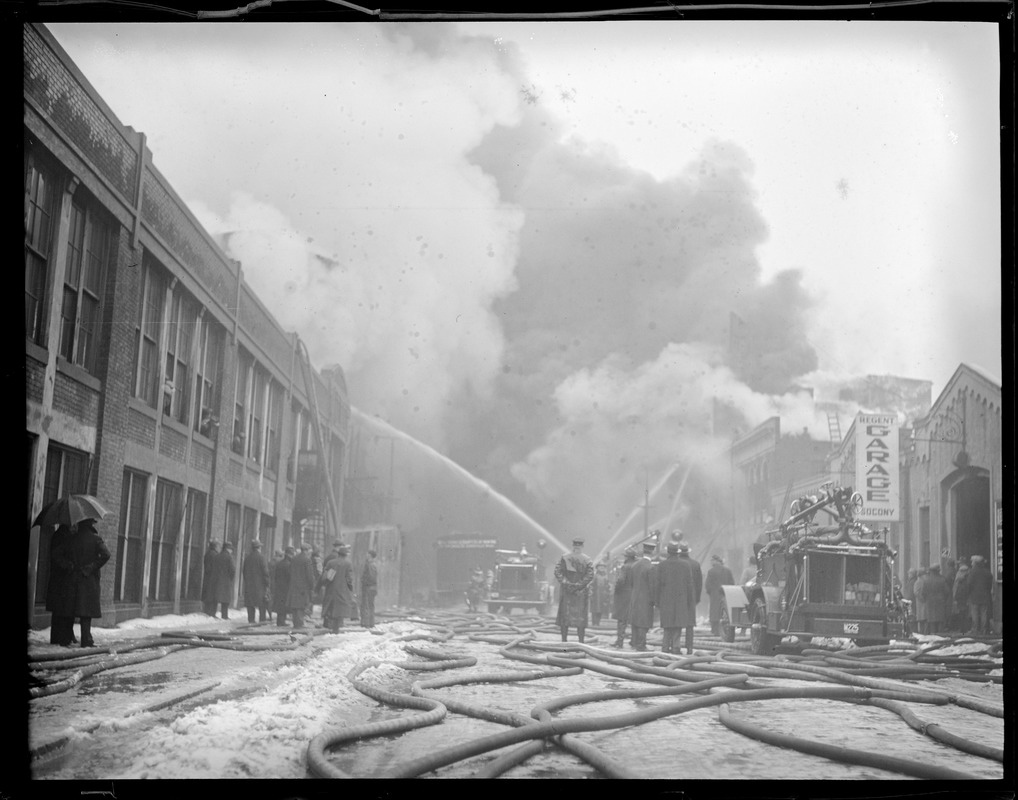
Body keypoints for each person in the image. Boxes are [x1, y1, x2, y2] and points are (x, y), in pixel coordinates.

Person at [58, 518, 111, 648]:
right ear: (91, 524)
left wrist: (69, 565)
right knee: (86, 612)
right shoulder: (95, 539)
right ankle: (86, 640)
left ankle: (65, 639)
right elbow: (106, 554)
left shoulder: (71, 538)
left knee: (70, 609)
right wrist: (91, 567)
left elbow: (59, 555)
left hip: (72, 578)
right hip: (88, 580)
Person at [655, 542, 696, 654]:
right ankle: (676, 647)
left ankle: (665, 647)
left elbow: (657, 585)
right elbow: (689, 585)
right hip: (681, 600)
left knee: (667, 625)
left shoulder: (662, 566)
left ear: (668, 552)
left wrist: (657, 601)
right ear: (677, 552)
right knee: (678, 625)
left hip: (666, 600)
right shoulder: (685, 565)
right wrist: (690, 601)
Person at [554, 537, 594, 642]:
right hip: (580, 593)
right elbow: (590, 575)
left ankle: (564, 641)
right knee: (580, 618)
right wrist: (578, 585)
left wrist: (567, 584)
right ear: (582, 546)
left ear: (573, 545)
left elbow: (557, 572)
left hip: (566, 592)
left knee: (565, 617)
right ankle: (581, 641)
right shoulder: (587, 559)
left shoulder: (564, 557)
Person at [46, 524, 78, 646]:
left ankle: (60, 638)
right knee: (63, 610)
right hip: (62, 581)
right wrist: (68, 565)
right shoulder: (62, 537)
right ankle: (62, 639)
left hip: (59, 581)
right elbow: (57, 556)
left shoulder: (60, 535)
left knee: (60, 611)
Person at [628, 541, 658, 651]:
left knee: (635, 620)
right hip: (646, 599)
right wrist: (654, 601)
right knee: (643, 622)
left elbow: (631, 583)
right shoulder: (651, 567)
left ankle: (634, 642)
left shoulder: (635, 565)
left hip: (635, 597)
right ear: (653, 553)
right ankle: (641, 645)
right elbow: (653, 586)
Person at [320, 543, 355, 633]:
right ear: (345, 555)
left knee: (330, 607)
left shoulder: (331, 563)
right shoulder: (348, 563)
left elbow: (325, 577)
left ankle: (330, 626)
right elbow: (349, 579)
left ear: (338, 553)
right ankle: (336, 628)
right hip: (342, 590)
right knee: (340, 609)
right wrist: (350, 589)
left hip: (331, 589)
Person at [287, 542, 316, 630]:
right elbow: (309, 575)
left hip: (293, 585)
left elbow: (290, 572)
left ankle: (296, 623)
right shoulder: (307, 560)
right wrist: (312, 586)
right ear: (306, 550)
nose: (310, 553)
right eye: (309, 551)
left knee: (295, 605)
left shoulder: (294, 559)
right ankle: (299, 624)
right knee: (301, 606)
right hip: (303, 586)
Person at [612, 547, 637, 648]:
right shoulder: (636, 566)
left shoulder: (625, 567)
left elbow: (621, 580)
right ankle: (634, 641)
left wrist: (616, 590)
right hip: (635, 594)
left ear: (627, 557)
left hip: (624, 595)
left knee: (622, 620)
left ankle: (620, 641)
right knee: (633, 619)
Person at [705, 554, 735, 636]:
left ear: (715, 561)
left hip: (714, 595)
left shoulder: (711, 571)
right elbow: (732, 583)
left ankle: (715, 631)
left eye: (712, 560)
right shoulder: (728, 571)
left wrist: (711, 593)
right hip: (726, 595)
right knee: (725, 613)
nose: (711, 562)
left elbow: (707, 585)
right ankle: (726, 631)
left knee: (714, 613)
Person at [242, 539, 271, 623]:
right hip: (260, 586)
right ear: (259, 548)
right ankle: (262, 620)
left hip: (249, 585)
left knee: (250, 604)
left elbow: (244, 571)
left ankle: (251, 620)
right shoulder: (262, 558)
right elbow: (265, 572)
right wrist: (267, 584)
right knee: (262, 604)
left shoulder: (247, 558)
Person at [678, 542, 703, 632]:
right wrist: (697, 598)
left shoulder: (676, 564)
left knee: (677, 622)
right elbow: (699, 583)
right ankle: (689, 645)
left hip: (678, 597)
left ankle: (675, 644)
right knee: (690, 623)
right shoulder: (695, 564)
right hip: (691, 596)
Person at [965, 555, 994, 635]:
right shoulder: (987, 572)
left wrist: (968, 593)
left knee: (975, 613)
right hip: (985, 596)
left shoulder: (972, 572)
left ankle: (975, 629)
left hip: (974, 596)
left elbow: (969, 584)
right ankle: (984, 630)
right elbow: (989, 585)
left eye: (972, 562)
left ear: (975, 563)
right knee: (984, 613)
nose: (971, 563)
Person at [272, 546, 295, 626]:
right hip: (286, 587)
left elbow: (275, 576)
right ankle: (281, 622)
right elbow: (290, 577)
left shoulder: (279, 563)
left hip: (279, 587)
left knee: (280, 605)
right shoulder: (289, 564)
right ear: (290, 554)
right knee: (284, 605)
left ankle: (280, 621)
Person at [214, 541, 237, 620]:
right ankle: (224, 615)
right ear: (228, 549)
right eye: (231, 549)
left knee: (217, 597)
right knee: (226, 599)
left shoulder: (217, 556)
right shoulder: (229, 557)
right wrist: (230, 578)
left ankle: (213, 613)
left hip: (217, 580)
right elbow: (232, 569)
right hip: (226, 581)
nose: (232, 550)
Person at [360, 549, 379, 628]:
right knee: (370, 605)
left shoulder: (370, 565)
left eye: (367, 554)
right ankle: (370, 623)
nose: (366, 555)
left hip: (369, 587)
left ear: (370, 555)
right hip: (372, 587)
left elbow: (371, 577)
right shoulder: (373, 564)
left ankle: (367, 624)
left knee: (367, 605)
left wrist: (364, 582)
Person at [201, 540, 220, 616]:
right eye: (219, 546)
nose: (219, 548)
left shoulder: (207, 554)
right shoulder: (215, 555)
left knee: (208, 595)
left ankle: (207, 611)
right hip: (213, 579)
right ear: (215, 547)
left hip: (208, 578)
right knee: (213, 596)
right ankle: (212, 613)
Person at [589, 562, 611, 626]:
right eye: (600, 567)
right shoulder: (594, 576)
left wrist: (608, 594)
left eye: (603, 567)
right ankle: (594, 622)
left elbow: (607, 586)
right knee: (594, 610)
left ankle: (597, 622)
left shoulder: (606, 577)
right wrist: (591, 594)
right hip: (595, 595)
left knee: (601, 609)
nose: (602, 568)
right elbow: (591, 585)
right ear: (597, 568)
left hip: (603, 596)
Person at [952, 562, 970, 632]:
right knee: (966, 613)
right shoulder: (968, 577)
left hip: (960, 598)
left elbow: (955, 588)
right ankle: (966, 628)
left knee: (961, 613)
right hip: (966, 598)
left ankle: (962, 629)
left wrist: (954, 598)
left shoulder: (958, 579)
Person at [913, 567, 931, 634]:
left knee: (924, 618)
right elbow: (916, 592)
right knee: (922, 619)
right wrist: (922, 598)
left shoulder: (922, 581)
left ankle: (924, 632)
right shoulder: (918, 581)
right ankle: (922, 632)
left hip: (923, 602)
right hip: (921, 602)